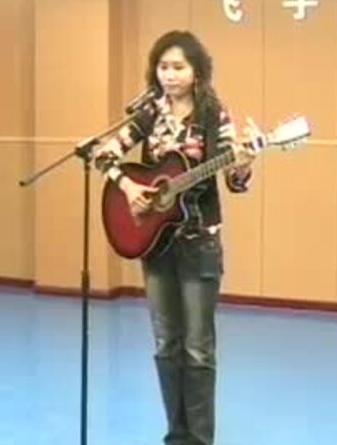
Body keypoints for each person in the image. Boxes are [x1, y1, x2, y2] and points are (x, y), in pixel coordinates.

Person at [93, 30, 260, 445]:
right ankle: (176, 435)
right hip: (156, 242)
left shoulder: (213, 114)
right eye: (163, 67)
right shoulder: (150, 113)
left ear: (197, 71)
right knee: (166, 343)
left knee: (197, 347)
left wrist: (244, 162)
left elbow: (234, 180)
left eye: (178, 67)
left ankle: (200, 440)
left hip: (200, 241)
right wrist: (128, 187)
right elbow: (104, 153)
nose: (169, 75)